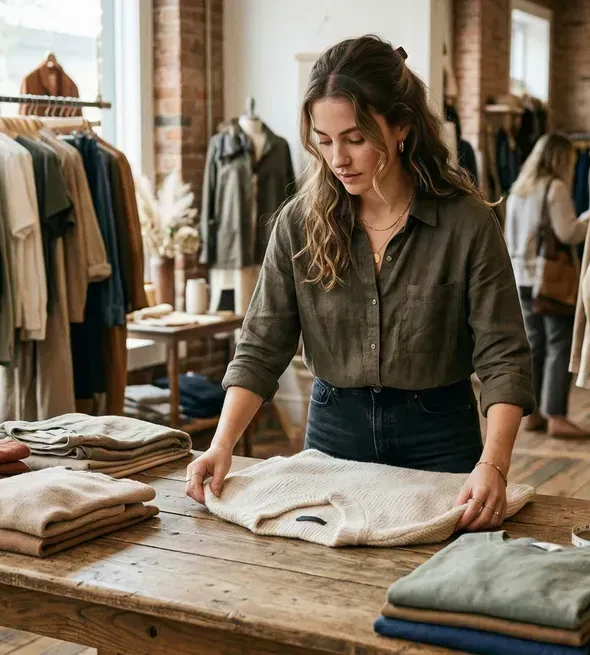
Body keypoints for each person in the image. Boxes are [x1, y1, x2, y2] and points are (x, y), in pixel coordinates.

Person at [184, 35, 536, 532]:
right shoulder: (299, 224)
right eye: (324, 141)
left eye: (354, 138)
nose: (338, 159)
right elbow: (262, 346)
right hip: (334, 430)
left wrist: (493, 465)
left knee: (433, 588)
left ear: (401, 128)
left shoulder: (466, 223)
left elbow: (504, 357)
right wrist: (220, 446)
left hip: (439, 435)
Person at [504, 134, 590, 438]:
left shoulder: (518, 189)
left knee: (535, 346)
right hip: (549, 279)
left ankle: (533, 414)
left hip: (521, 277)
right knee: (559, 344)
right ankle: (556, 415)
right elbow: (568, 233)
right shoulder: (554, 188)